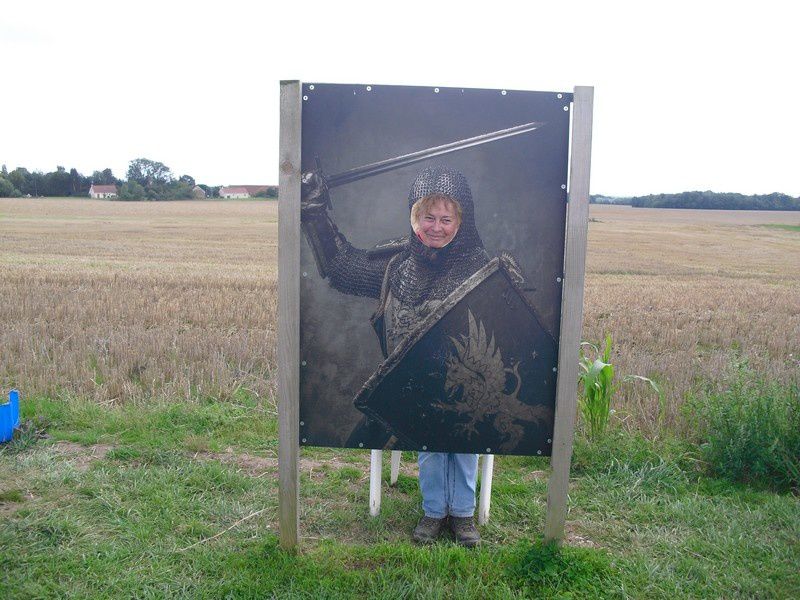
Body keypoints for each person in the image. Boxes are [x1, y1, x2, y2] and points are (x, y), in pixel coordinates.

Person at [301, 165, 488, 546]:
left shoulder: (483, 269)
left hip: (466, 387)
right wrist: (314, 210)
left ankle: (463, 514)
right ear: (414, 218)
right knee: (429, 448)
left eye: (446, 219)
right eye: (427, 217)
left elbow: (510, 327)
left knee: (465, 447)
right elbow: (340, 267)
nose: (436, 226)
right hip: (410, 388)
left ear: (461, 221)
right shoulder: (395, 265)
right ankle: (435, 511)